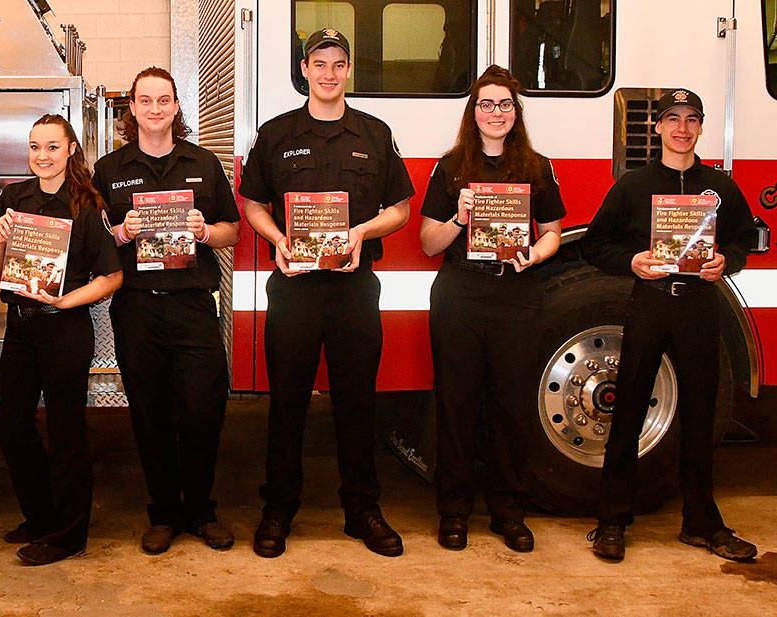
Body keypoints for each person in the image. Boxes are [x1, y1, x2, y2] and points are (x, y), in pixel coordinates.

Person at [238, 28, 414, 559]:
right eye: (320, 64)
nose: (329, 74)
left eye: (339, 64)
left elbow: (400, 208)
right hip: (293, 290)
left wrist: (362, 233)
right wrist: (277, 241)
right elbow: (252, 203)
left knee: (357, 404)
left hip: (353, 290)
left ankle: (362, 510)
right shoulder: (275, 134)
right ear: (304, 69)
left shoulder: (375, 134)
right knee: (286, 404)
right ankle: (278, 509)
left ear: (348, 70)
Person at [581, 89, 759, 563]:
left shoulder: (719, 186)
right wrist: (632, 261)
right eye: (673, 119)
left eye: (692, 119)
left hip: (699, 306)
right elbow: (595, 245)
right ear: (657, 127)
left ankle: (701, 523)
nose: (682, 128)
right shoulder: (634, 185)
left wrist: (728, 259)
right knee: (629, 410)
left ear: (701, 128)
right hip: (651, 303)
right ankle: (612, 522)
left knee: (701, 416)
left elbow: (747, 236)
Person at [91, 67, 240, 554]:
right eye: (145, 101)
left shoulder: (204, 163)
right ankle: (163, 513)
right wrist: (120, 232)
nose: (155, 110)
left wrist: (204, 232)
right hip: (137, 309)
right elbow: (94, 239)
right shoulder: (110, 170)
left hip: (195, 305)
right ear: (131, 109)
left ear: (177, 108)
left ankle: (200, 510)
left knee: (202, 411)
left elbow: (232, 231)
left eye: (164, 101)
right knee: (149, 414)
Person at [417, 65, 565, 553]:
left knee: (511, 404)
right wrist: (459, 217)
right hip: (460, 294)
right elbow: (428, 242)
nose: (495, 113)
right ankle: (454, 511)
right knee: (456, 403)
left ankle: (508, 511)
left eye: (504, 104)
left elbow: (553, 234)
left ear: (515, 112)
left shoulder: (537, 167)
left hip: (516, 295)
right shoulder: (451, 166)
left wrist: (534, 256)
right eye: (486, 104)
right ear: (473, 112)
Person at [0, 114, 122, 566]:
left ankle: (69, 534)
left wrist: (67, 302)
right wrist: (0, 240)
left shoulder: (85, 203)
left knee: (66, 433)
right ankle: (42, 516)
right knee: (11, 425)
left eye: (53, 147)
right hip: (21, 326)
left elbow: (112, 275)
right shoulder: (12, 198)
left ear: (71, 149)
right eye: (35, 147)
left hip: (65, 328)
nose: (43, 156)